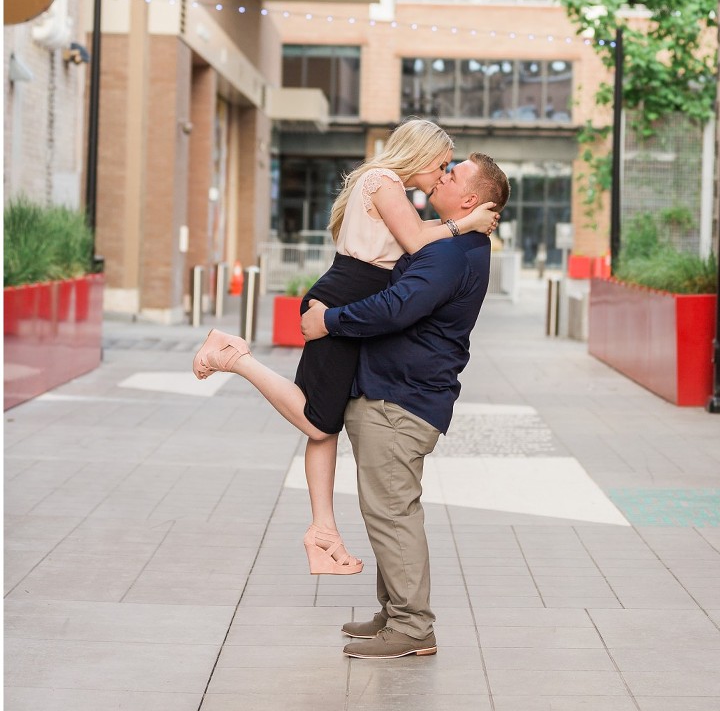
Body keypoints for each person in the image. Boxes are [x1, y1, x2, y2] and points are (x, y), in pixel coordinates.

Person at [192, 120, 499, 575]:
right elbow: (416, 241)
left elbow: (415, 232)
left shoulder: (388, 187)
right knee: (316, 420)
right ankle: (233, 356)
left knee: (327, 421)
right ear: (419, 153)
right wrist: (465, 223)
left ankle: (323, 534)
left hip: (355, 296)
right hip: (346, 297)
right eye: (441, 165)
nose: (441, 174)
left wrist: (456, 224)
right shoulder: (383, 180)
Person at [300, 152, 510, 659]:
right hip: (399, 391)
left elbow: (397, 307)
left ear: (471, 199)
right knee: (385, 510)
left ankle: (413, 627)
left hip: (401, 398)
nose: (445, 172)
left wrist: (330, 321)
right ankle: (395, 613)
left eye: (455, 173)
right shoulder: (456, 241)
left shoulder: (453, 253)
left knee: (392, 512)